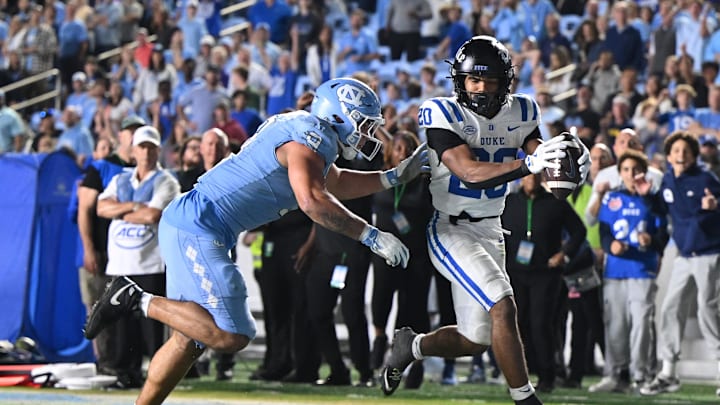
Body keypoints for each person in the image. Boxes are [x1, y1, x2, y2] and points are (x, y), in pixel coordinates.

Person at [83, 77, 428, 405]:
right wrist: (370, 235)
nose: (368, 134)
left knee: (188, 339)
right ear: (337, 115)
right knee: (232, 333)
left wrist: (390, 178)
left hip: (195, 222)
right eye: (363, 124)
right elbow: (312, 200)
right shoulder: (311, 135)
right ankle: (133, 298)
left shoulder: (305, 133)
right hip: (200, 226)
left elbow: (333, 181)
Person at [379, 36, 590, 405]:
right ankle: (526, 400)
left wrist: (568, 159)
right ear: (459, 81)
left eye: (488, 81)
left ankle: (411, 346)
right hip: (450, 227)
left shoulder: (522, 111)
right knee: (503, 306)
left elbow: (550, 174)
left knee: (475, 339)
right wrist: (529, 164)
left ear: (504, 82)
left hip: (492, 230)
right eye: (472, 81)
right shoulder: (442, 112)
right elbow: (468, 172)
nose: (478, 89)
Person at [96, 126, 181, 388]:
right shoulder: (121, 179)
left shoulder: (166, 181)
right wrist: (133, 206)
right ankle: (125, 374)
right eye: (141, 146)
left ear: (158, 150)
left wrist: (119, 212)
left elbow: (153, 215)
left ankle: (155, 376)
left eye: (150, 147)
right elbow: (100, 208)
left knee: (151, 327)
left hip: (150, 263)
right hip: (121, 264)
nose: (145, 152)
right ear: (133, 151)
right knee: (122, 326)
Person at [639, 131, 720, 397]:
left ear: (695, 155)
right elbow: (662, 209)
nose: (680, 155)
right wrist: (648, 196)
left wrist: (714, 206)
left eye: (686, 151)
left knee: (708, 311)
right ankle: (669, 372)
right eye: (676, 151)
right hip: (684, 255)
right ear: (669, 154)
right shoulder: (669, 179)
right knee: (670, 309)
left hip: (709, 254)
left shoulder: (707, 178)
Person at [590, 150, 669, 393]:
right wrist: (609, 245)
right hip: (615, 270)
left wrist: (651, 241)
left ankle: (641, 375)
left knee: (642, 325)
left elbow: (663, 234)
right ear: (620, 172)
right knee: (615, 325)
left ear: (644, 172)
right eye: (626, 169)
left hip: (642, 269)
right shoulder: (612, 198)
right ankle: (614, 374)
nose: (631, 174)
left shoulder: (654, 200)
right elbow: (603, 231)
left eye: (636, 169)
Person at [503, 171, 587, 393]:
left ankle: (547, 376)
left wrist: (564, 254)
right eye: (526, 175)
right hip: (515, 273)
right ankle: (519, 378)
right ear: (520, 177)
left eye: (534, 175)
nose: (530, 179)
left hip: (546, 273)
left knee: (541, 325)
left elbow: (579, 230)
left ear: (542, 177)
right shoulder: (508, 202)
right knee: (517, 324)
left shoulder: (555, 203)